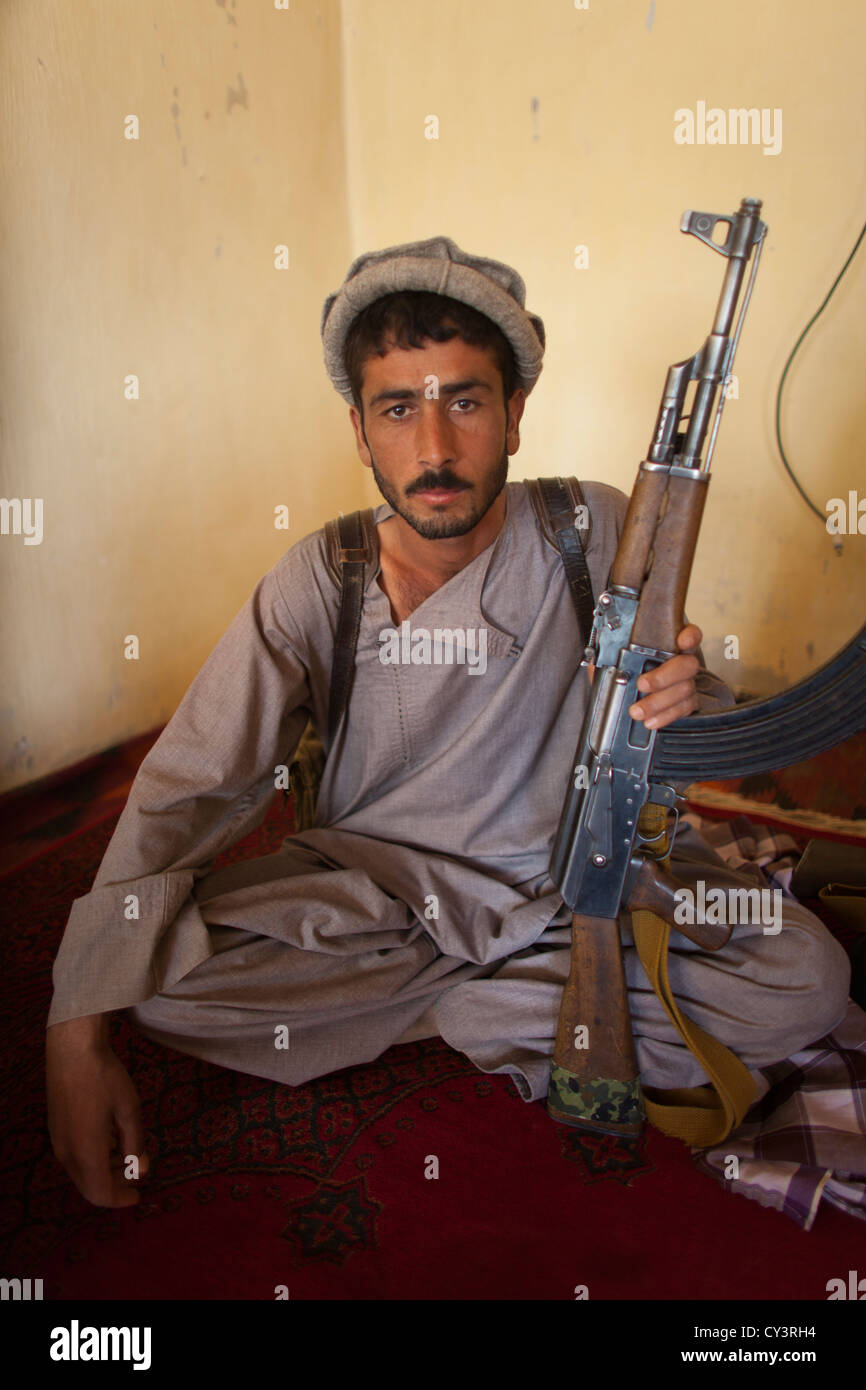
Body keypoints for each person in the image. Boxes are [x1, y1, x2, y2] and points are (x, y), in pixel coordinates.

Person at [45, 236, 851, 1209]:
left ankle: (461, 1007)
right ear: (359, 430)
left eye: (464, 401)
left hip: (562, 892)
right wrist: (74, 1027)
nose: (432, 449)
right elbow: (193, 781)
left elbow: (675, 727)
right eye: (397, 408)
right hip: (378, 903)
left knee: (802, 974)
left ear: (514, 414)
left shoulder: (589, 530)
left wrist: (683, 689)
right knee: (161, 972)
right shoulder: (324, 576)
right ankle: (496, 1007)